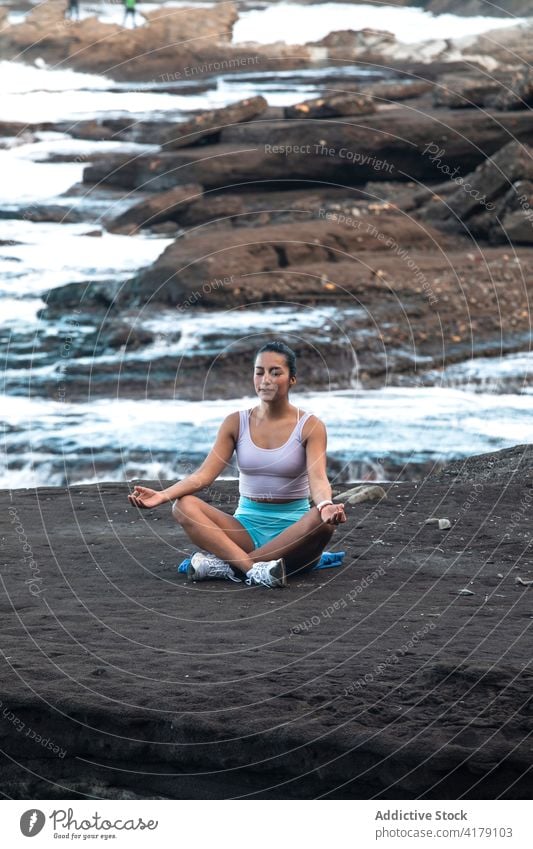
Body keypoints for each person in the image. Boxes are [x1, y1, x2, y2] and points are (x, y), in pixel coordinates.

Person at [129, 341, 346, 588]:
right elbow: (203, 477)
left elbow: (318, 478)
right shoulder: (236, 422)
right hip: (244, 530)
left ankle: (226, 565)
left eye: (276, 372)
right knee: (183, 506)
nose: (266, 379)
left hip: (293, 533)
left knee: (322, 520)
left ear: (292, 379)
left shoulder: (310, 426)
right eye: (259, 371)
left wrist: (326, 505)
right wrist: (161, 496)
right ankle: (253, 569)